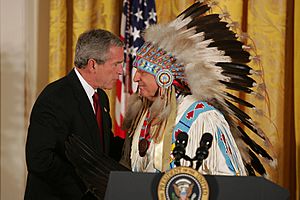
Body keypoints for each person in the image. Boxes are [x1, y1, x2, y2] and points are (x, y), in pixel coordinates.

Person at [120, 1, 275, 176]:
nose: (135, 78)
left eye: (143, 72)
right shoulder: (146, 114)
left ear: (165, 77)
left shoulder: (203, 117)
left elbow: (228, 180)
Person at [25, 29, 124, 200]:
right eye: (116, 64)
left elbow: (102, 147)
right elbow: (39, 159)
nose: (121, 71)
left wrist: (140, 144)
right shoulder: (56, 97)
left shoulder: (100, 97)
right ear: (93, 65)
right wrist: (85, 189)